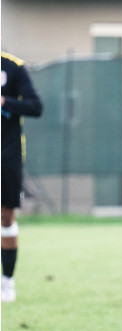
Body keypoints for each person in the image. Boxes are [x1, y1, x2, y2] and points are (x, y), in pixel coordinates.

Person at [1, 51, 43, 302]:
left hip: (7, 155)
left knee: (6, 217)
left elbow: (36, 106)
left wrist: (5, 102)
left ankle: (7, 282)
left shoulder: (13, 67)